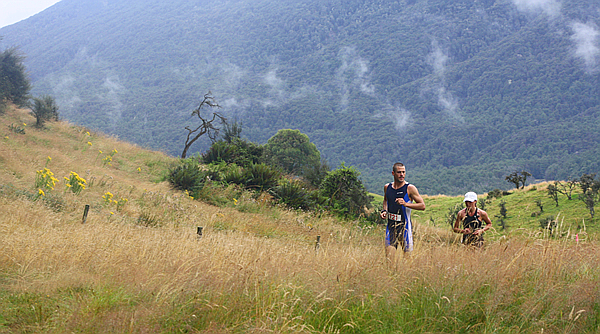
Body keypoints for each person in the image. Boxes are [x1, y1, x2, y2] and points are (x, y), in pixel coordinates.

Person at [380, 162, 426, 261]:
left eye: (404, 172)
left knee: (407, 260)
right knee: (389, 259)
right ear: (393, 173)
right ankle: (391, 276)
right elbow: (386, 200)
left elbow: (422, 206)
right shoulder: (387, 187)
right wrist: (384, 210)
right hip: (391, 227)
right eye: (399, 172)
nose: (402, 175)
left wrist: (406, 204)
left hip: (405, 228)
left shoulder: (410, 188)